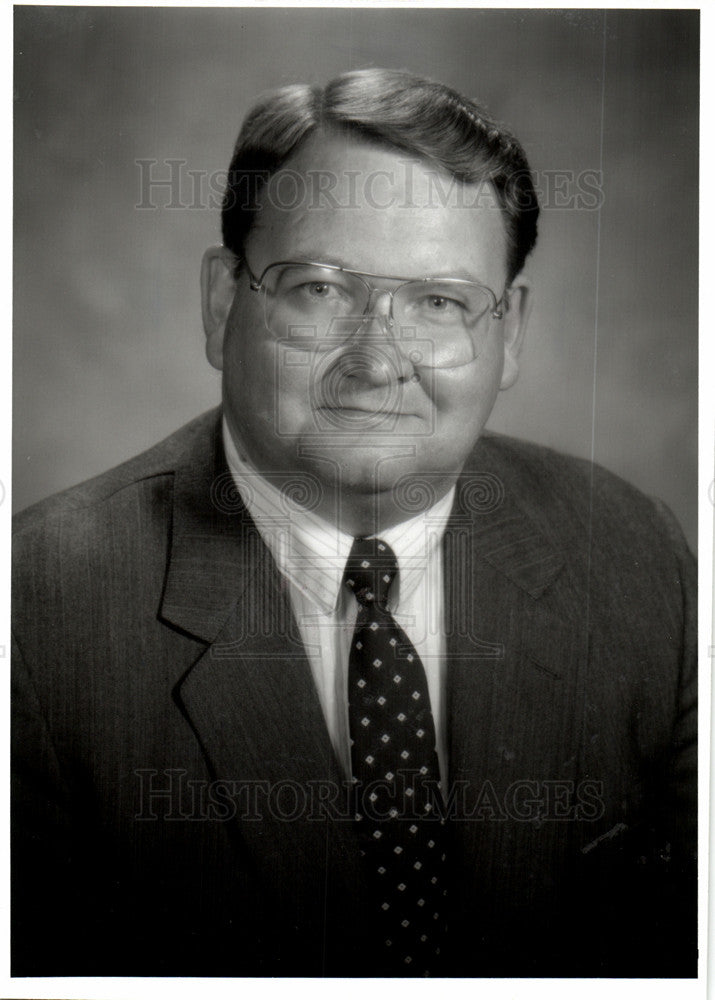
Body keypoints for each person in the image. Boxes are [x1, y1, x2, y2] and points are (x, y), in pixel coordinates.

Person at [11, 68, 696, 978]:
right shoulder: (37, 616)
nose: (378, 362)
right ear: (223, 305)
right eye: (320, 291)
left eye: (439, 303)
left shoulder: (632, 551)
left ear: (511, 334)